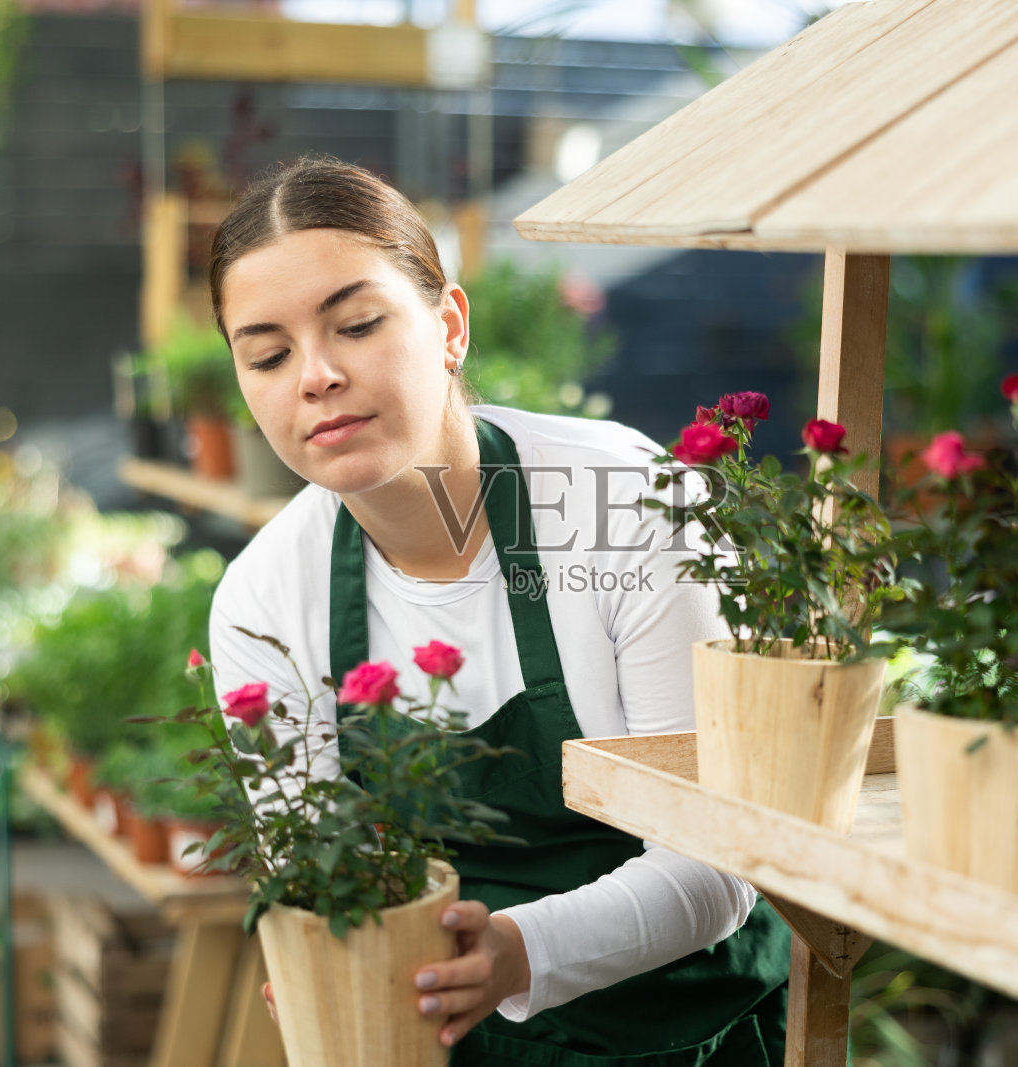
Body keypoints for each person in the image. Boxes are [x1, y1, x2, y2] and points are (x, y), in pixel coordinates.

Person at [205, 155, 790, 1066]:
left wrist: (516, 950)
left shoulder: (629, 504)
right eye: (269, 355)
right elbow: (317, 868)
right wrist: (332, 958)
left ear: (449, 326)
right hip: (444, 1034)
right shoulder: (264, 599)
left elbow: (718, 863)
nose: (314, 376)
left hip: (681, 1031)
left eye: (356, 324)